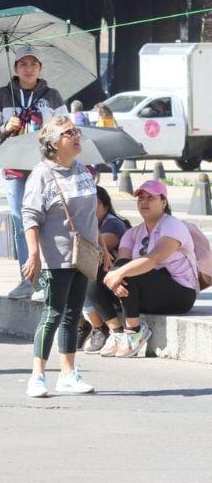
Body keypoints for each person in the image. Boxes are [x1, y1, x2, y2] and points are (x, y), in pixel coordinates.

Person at [20, 116, 98, 397]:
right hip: (57, 258)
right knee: (52, 314)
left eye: (76, 131)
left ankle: (68, 373)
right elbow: (30, 216)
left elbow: (90, 214)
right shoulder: (41, 175)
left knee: (73, 314)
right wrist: (33, 254)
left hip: (84, 256)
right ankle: (37, 376)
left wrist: (101, 248)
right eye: (68, 133)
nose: (76, 135)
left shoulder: (83, 170)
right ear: (53, 144)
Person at [0, 46, 65, 299]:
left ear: (40, 69)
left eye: (33, 64)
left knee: (50, 221)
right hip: (13, 169)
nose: (28, 68)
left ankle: (51, 278)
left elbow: (67, 127)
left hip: (45, 167)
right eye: (23, 64)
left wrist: (52, 131)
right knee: (22, 223)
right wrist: (5, 128)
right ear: (16, 68)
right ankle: (29, 280)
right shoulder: (3, 95)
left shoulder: (52, 96)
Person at [87, 180, 199, 358]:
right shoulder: (133, 233)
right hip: (148, 295)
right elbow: (121, 260)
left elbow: (153, 259)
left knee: (126, 269)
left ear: (164, 202)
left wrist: (118, 274)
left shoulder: (173, 225)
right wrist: (114, 280)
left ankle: (134, 331)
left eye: (151, 198)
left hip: (180, 294)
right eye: (140, 199)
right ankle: (116, 332)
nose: (144, 202)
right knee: (94, 274)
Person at [80, 186, 131, 352]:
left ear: (105, 205)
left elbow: (94, 250)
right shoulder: (90, 224)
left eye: (93, 203)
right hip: (107, 281)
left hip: (119, 282)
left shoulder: (113, 224)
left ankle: (99, 328)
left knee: (84, 276)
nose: (88, 207)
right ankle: (82, 326)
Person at [93, 102, 120, 181]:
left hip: (102, 141)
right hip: (111, 140)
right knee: (112, 161)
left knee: (97, 160)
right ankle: (115, 177)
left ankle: (93, 175)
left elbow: (101, 129)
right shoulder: (111, 116)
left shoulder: (102, 119)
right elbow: (116, 126)